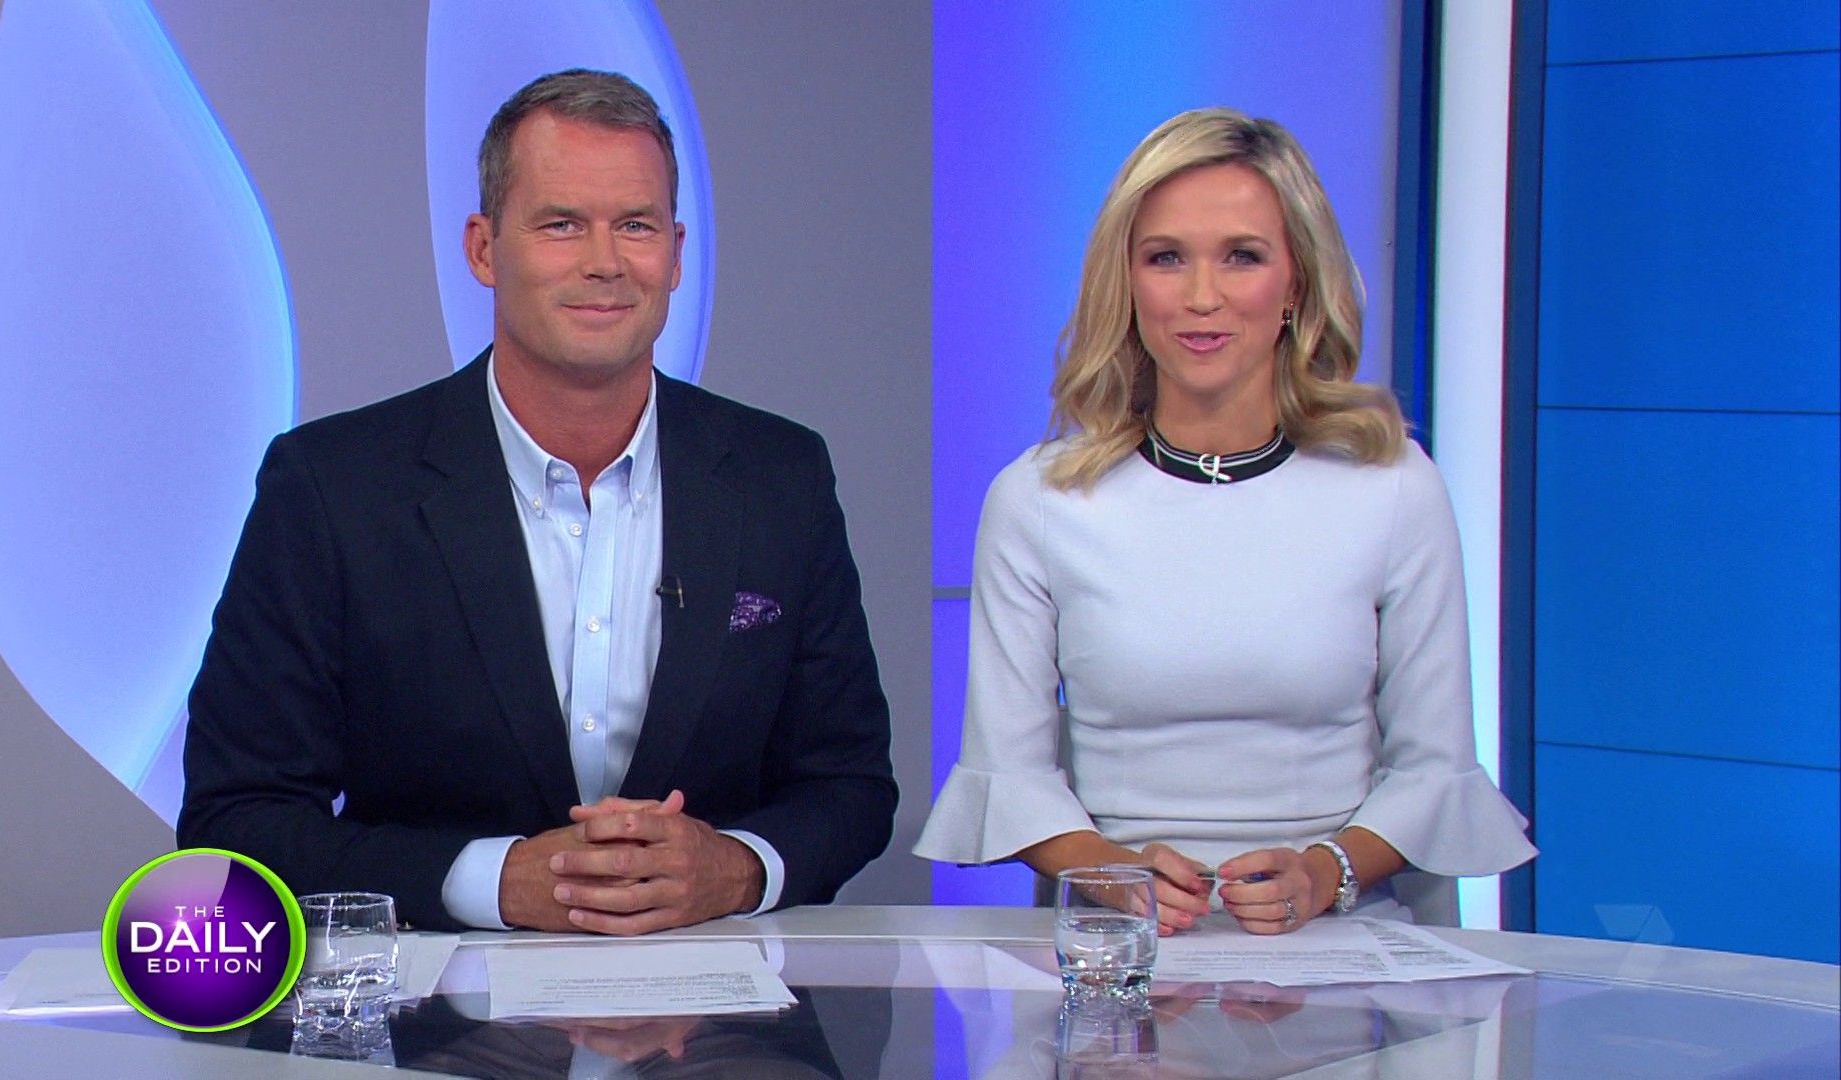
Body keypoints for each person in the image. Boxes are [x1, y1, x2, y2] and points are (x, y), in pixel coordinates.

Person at [178, 70, 896, 934]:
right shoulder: (331, 487)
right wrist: (493, 881)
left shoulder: (782, 476)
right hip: (435, 1006)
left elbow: (849, 787)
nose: (604, 262)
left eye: (635, 226)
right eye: (561, 224)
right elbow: (237, 821)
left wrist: (736, 870)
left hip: (721, 1000)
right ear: (483, 249)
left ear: (675, 253)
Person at [914, 108, 1534, 935]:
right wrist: (1114, 873)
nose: (1201, 297)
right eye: (1166, 258)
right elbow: (1009, 777)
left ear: (1296, 285)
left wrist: (1323, 872)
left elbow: (1434, 770)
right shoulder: (1038, 500)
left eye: (1242, 256)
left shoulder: (1393, 488)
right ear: (1125, 283)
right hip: (1127, 949)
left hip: (1337, 939)